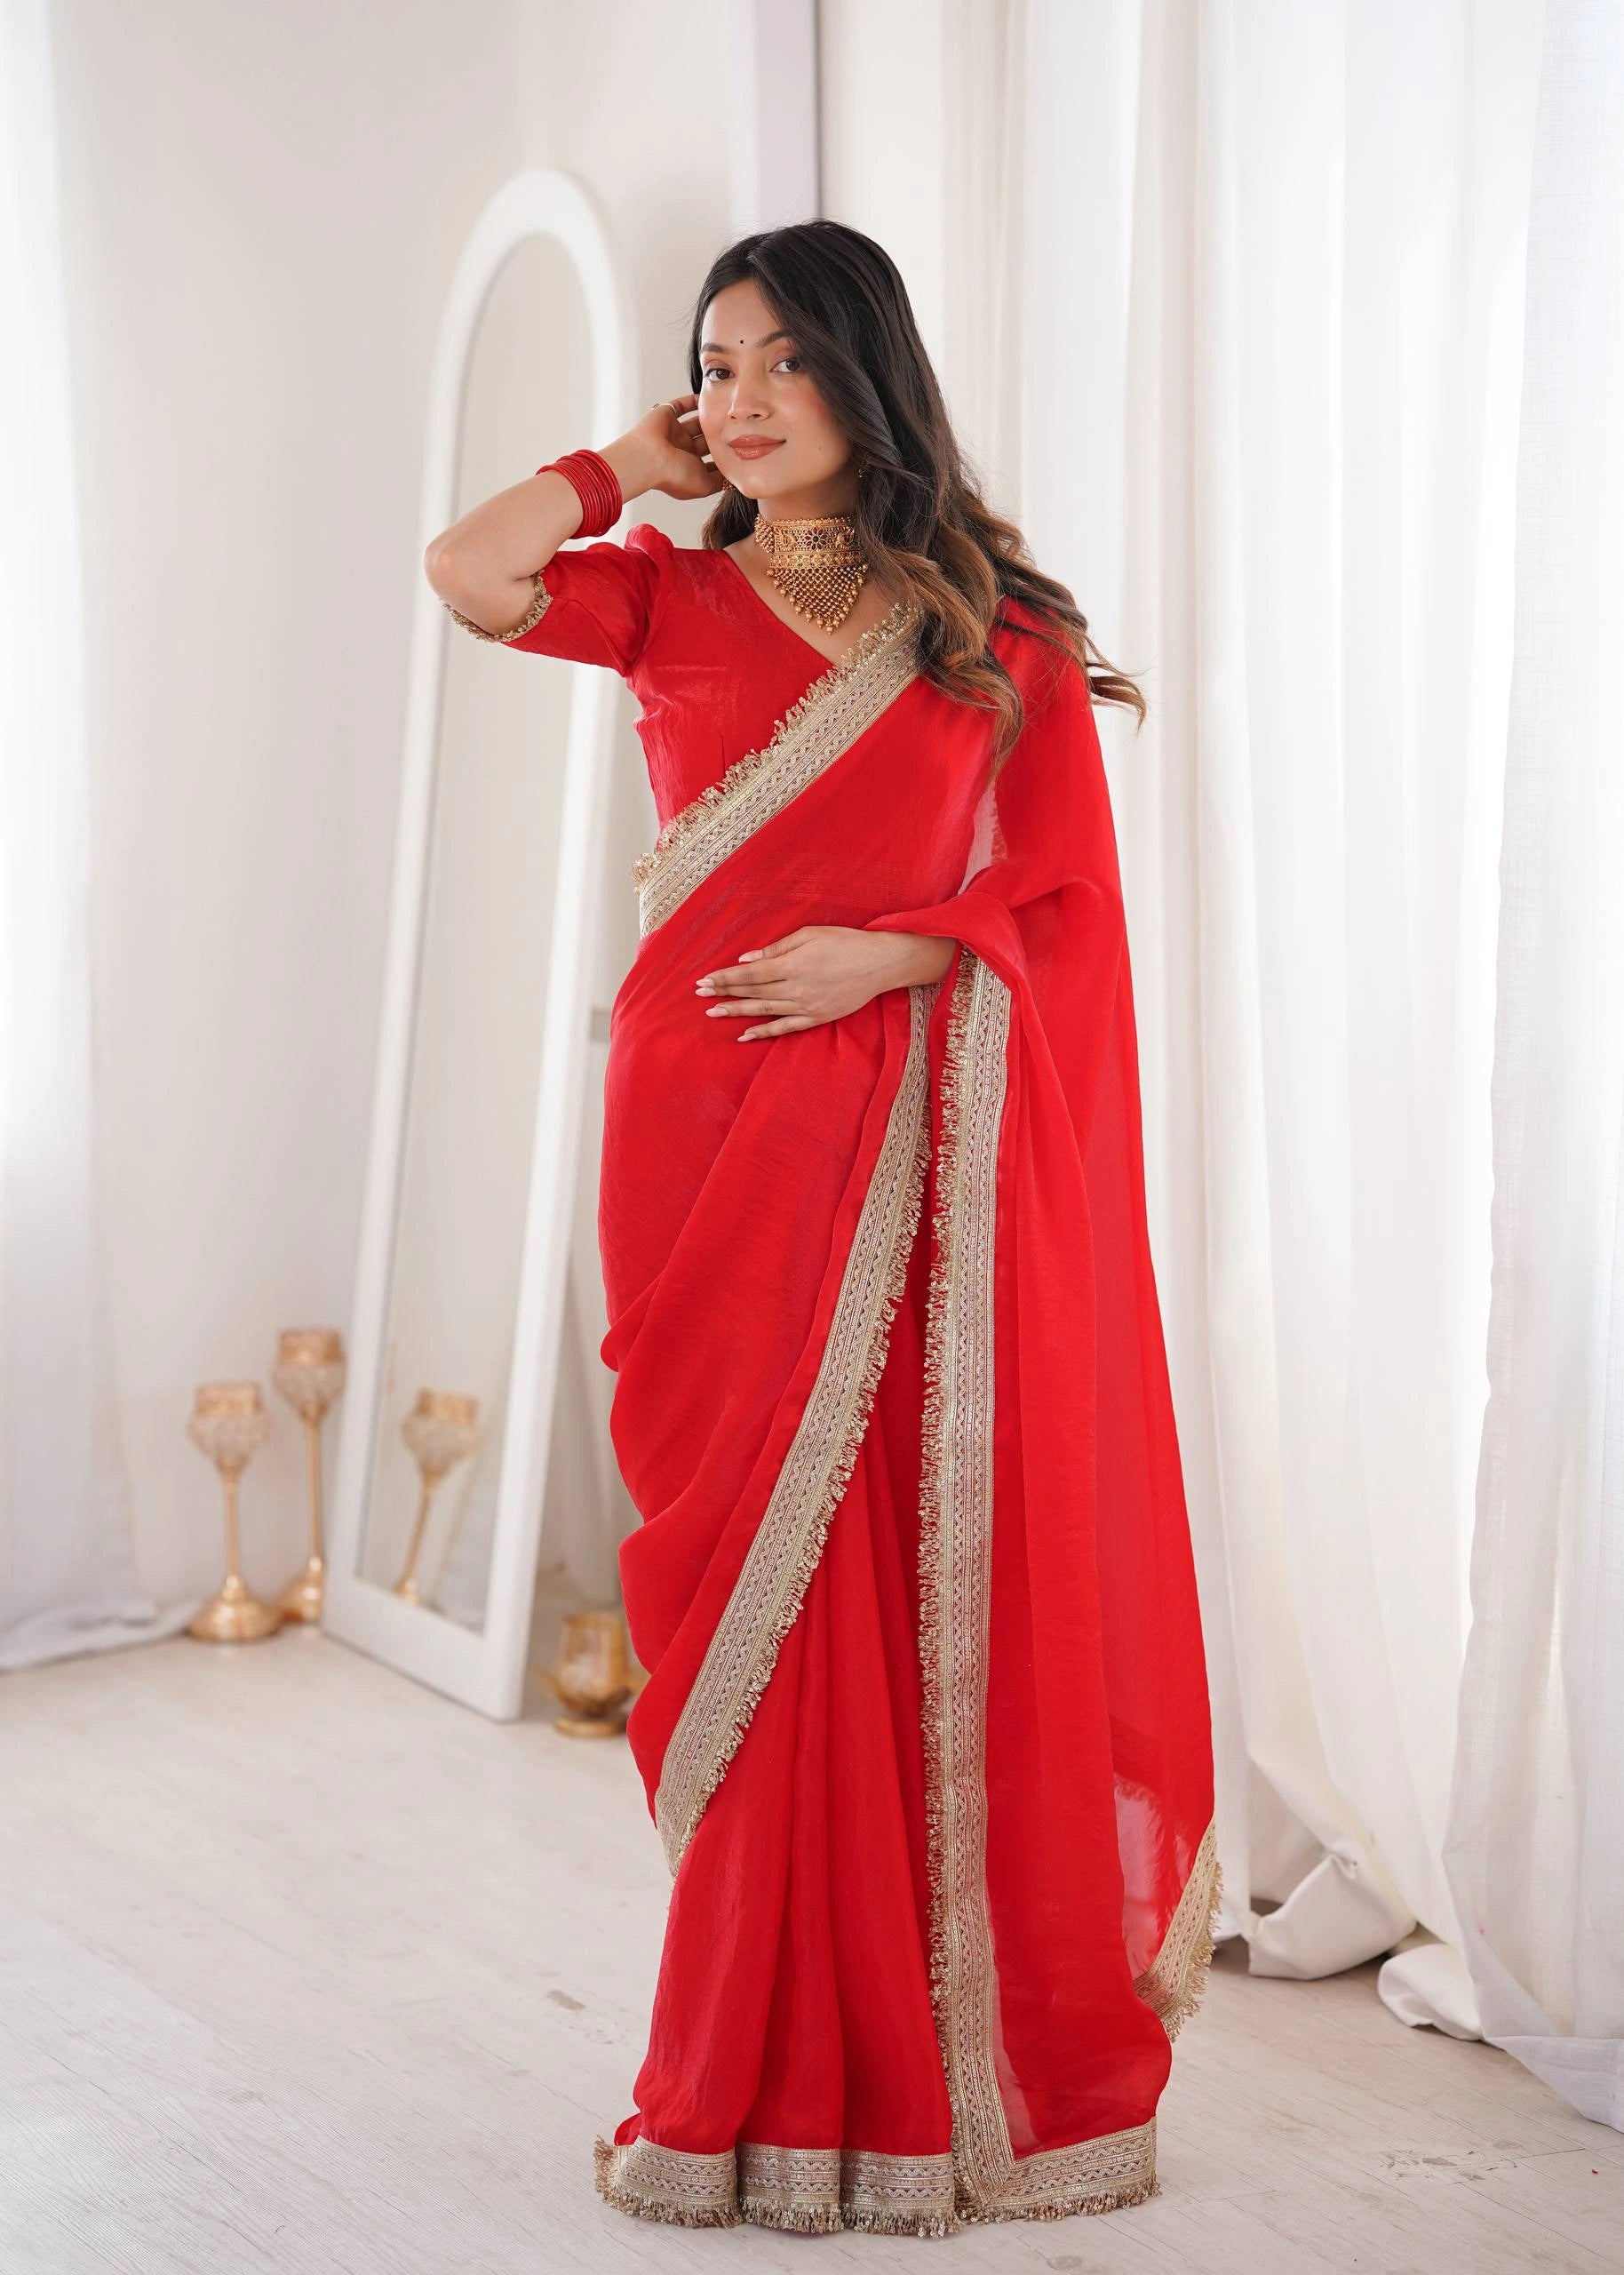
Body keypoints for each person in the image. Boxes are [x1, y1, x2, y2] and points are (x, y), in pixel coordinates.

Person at [424, 217, 1218, 2239]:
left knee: (876, 1579)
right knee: (738, 1613)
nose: (743, 394)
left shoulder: (990, 627)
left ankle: (890, 2072)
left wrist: (896, 950)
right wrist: (624, 455)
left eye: (782, 358)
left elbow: (1059, 912)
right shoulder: (658, 600)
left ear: (865, 373)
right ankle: (744, 2066)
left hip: (891, 1149)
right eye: (717, 360)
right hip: (693, 1144)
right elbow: (465, 567)